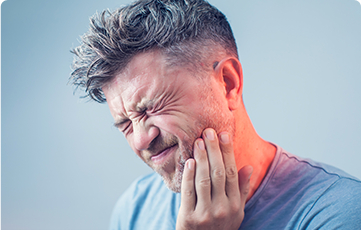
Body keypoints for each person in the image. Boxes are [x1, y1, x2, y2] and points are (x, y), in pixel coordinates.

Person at [70, 0, 361, 229]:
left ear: (228, 83)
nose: (142, 140)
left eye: (152, 107)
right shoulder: (134, 209)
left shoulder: (340, 214)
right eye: (124, 124)